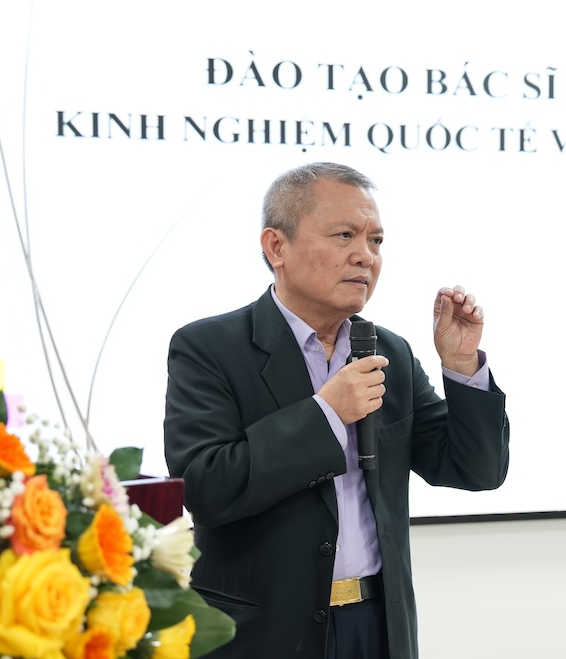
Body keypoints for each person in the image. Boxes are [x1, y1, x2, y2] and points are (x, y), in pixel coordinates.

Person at [164, 162, 509, 659]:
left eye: (376, 240)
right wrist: (325, 414)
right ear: (276, 247)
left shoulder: (388, 352)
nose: (365, 256)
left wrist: (461, 367)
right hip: (264, 634)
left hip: (377, 625)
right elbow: (206, 486)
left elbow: (476, 470)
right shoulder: (209, 348)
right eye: (345, 235)